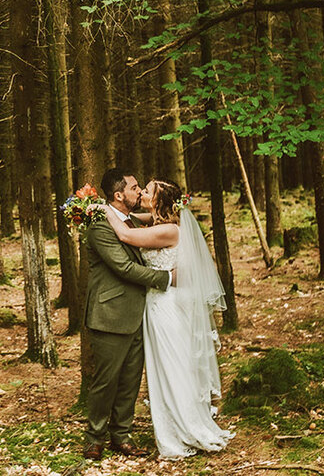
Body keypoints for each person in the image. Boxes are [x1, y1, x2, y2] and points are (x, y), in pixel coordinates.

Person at [104, 178, 235, 460]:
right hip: (156, 304)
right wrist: (118, 211)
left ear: (159, 201)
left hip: (165, 307)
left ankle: (184, 430)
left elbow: (126, 235)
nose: (141, 193)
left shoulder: (168, 230)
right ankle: (176, 425)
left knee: (172, 367)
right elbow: (131, 218)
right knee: (163, 369)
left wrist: (103, 210)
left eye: (147, 191)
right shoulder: (156, 221)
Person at [81, 167, 173, 461]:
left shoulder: (129, 220)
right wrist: (167, 278)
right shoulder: (99, 226)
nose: (139, 192)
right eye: (135, 188)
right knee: (105, 382)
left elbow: (160, 219)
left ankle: (122, 435)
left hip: (139, 316)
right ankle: (94, 438)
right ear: (119, 195)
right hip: (109, 316)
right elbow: (124, 267)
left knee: (130, 381)